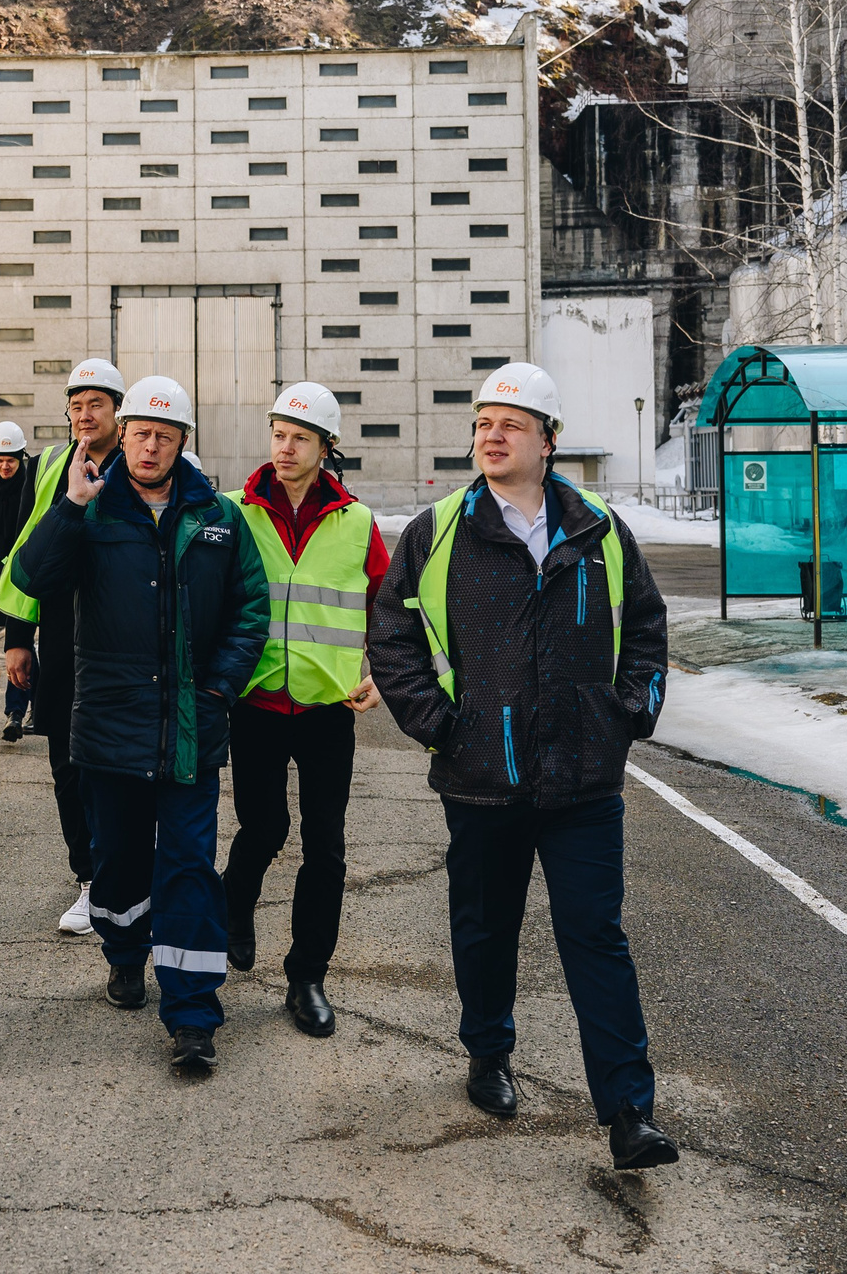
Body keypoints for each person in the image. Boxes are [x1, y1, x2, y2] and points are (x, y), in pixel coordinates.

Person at [369, 361, 680, 1171]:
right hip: (482, 776)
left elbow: (645, 625)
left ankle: (628, 1112)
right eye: (482, 424)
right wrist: (440, 723)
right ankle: (488, 1054)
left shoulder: (600, 530)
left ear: (548, 442)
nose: (492, 436)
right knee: (485, 927)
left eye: (510, 424)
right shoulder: (438, 530)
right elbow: (392, 636)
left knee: (596, 938)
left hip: (582, 778)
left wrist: (630, 710)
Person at [8, 376, 270, 1070]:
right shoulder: (90, 509)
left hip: (191, 726)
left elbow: (251, 606)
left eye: (165, 434)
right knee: (118, 863)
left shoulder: (218, 516)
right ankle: (124, 951)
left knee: (188, 868)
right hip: (109, 727)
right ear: (120, 435)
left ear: (184, 440)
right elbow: (30, 578)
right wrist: (69, 506)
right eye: (140, 433)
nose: (150, 445)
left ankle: (191, 1015)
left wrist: (219, 686)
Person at [220, 383, 390, 1040]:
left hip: (326, 708)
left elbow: (390, 604)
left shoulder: (357, 524)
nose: (285, 447)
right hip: (256, 703)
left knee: (326, 846)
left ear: (326, 448)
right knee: (262, 828)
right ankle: (234, 906)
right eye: (278, 434)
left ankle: (306, 976)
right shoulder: (236, 513)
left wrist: (380, 670)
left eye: (300, 437)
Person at [0, 360, 129, 938]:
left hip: (126, 645)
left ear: (119, 412)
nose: (83, 415)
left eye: (95, 404)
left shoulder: (146, 459)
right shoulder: (52, 464)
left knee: (120, 773)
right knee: (66, 770)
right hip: (64, 640)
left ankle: (126, 879)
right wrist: (19, 640)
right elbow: (29, 548)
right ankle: (89, 882)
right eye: (75, 405)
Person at [0, 422, 38, 740]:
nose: (4, 466)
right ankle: (37, 706)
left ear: (20, 458)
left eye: (10, 460)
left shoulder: (34, 483)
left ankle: (15, 711)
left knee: (18, 644)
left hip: (25, 575)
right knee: (23, 646)